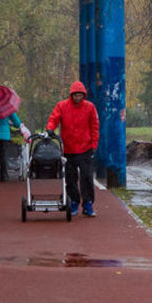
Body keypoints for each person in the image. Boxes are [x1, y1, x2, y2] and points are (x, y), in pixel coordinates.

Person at [46, 81, 99, 217]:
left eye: (80, 95)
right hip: (68, 149)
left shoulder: (90, 107)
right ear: (71, 95)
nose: (77, 97)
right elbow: (54, 118)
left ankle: (88, 203)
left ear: (83, 95)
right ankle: (74, 201)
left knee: (87, 177)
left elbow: (94, 127)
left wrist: (93, 145)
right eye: (75, 95)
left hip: (85, 148)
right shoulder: (62, 106)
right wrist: (50, 129)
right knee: (70, 178)